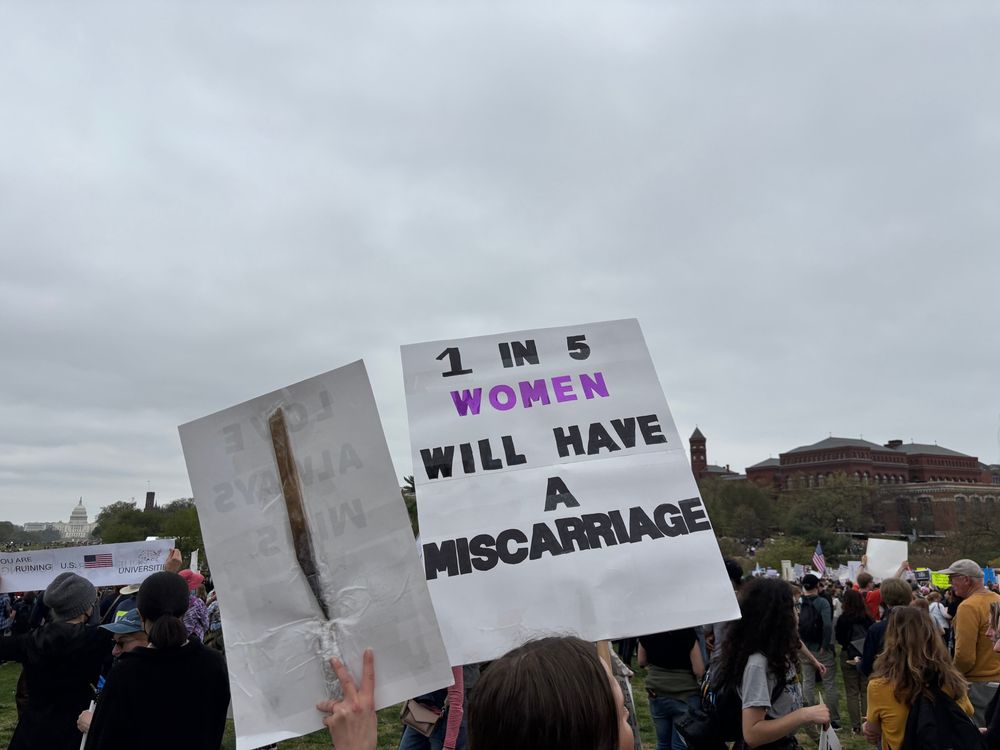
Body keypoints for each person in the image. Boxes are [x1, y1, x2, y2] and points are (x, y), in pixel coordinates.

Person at [318, 636, 634, 750]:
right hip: (426, 721)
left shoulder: (459, 663)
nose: (629, 716)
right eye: (621, 713)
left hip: (443, 725)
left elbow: (457, 702)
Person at [83, 571, 230, 749]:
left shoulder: (126, 673)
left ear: (140, 615)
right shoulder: (213, 663)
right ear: (185, 611)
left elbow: (105, 740)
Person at [714, 577, 829, 749]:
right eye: (793, 608)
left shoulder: (777, 651)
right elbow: (752, 733)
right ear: (775, 616)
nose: (797, 614)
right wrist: (804, 715)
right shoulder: (758, 664)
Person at [0, 572, 110, 749]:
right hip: (75, 731)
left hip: (32, 733)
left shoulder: (29, 641)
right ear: (87, 607)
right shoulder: (97, 639)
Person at [863, 605, 974, 749]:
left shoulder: (879, 686)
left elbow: (874, 732)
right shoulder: (950, 678)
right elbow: (968, 711)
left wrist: (867, 725)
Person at [942, 558, 1000, 725]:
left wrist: (950, 677)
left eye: (952, 578)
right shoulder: (997, 599)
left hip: (979, 685)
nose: (949, 583)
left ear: (966, 579)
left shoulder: (968, 607)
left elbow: (965, 657)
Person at [76, 609, 150, 735]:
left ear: (150, 639)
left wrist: (97, 726)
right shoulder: (126, 679)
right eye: (114, 643)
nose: (114, 651)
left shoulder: (157, 683)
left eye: (122, 642)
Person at [637, 627, 703, 750]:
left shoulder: (647, 629)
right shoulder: (687, 632)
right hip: (685, 694)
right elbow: (699, 670)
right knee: (680, 746)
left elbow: (641, 661)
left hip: (656, 692)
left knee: (663, 743)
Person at [798, 573, 840, 730]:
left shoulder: (798, 603)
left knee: (808, 681)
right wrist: (826, 643)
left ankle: (810, 715)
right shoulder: (822, 602)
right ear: (817, 586)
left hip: (803, 647)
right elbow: (828, 625)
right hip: (820, 648)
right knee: (829, 683)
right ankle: (834, 719)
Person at [397, 665, 468, 750]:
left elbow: (456, 701)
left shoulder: (451, 656)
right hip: (420, 714)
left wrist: (449, 746)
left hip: (445, 721)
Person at [834, 589, 873, 734]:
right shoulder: (867, 618)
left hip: (848, 655)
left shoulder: (843, 619)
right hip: (865, 655)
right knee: (865, 690)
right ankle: (867, 722)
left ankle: (856, 726)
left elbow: (839, 638)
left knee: (851, 692)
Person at [859, 577, 913, 677]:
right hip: (918, 684)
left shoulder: (876, 630)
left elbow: (867, 666)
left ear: (885, 600)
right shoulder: (925, 625)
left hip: (887, 683)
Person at [178, 568, 209, 641]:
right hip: (195, 639)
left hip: (178, 640)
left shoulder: (173, 601)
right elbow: (206, 623)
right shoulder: (197, 602)